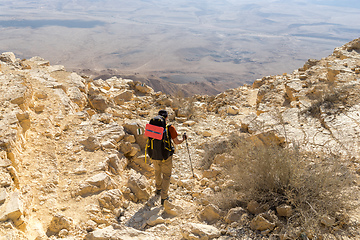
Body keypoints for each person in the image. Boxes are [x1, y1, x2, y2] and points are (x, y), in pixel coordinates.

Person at [152, 110, 187, 205]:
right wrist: (183, 139)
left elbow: (145, 137)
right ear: (166, 117)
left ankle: (158, 189)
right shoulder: (170, 127)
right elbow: (176, 142)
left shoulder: (153, 126)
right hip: (166, 155)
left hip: (154, 155)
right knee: (166, 175)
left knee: (157, 172)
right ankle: (164, 198)